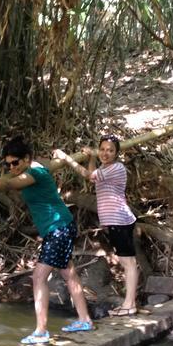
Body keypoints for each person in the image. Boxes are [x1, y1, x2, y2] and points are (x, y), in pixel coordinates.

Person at [0, 136, 93, 345]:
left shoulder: (34, 172)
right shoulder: (32, 165)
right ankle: (84, 320)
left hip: (58, 229)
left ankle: (41, 331)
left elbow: (10, 183)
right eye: (8, 164)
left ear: (26, 159)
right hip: (61, 226)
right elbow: (24, 169)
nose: (12, 167)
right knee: (68, 273)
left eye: (15, 163)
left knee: (38, 278)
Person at [52, 134, 138, 317]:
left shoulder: (117, 168)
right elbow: (93, 178)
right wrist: (91, 158)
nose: (106, 153)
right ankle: (129, 303)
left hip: (120, 220)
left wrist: (65, 157)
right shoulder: (105, 168)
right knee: (127, 261)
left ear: (116, 153)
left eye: (110, 150)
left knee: (128, 262)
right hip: (116, 222)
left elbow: (87, 174)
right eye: (103, 149)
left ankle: (130, 304)